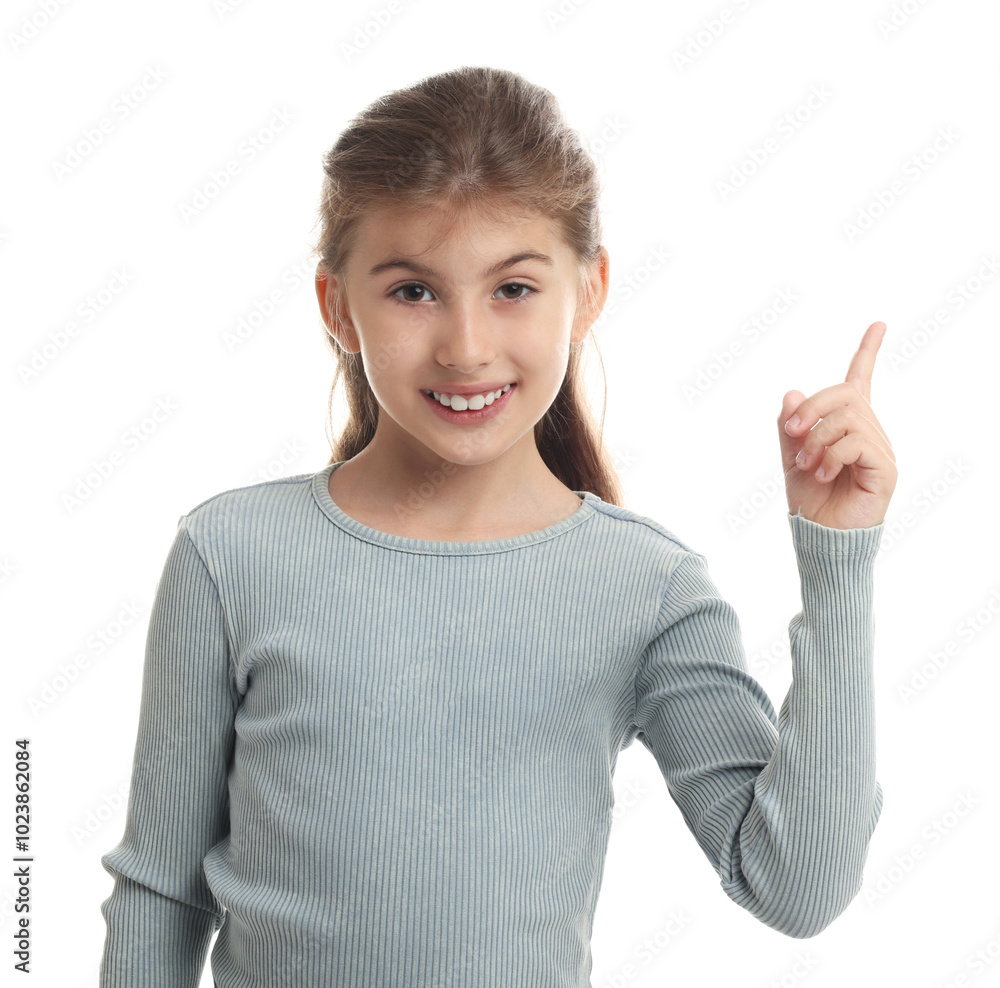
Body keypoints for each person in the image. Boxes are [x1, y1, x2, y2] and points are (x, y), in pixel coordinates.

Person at [98, 65, 898, 988]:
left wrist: (838, 565)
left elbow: (797, 888)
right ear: (336, 307)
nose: (466, 346)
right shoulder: (230, 556)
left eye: (513, 288)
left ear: (588, 291)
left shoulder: (646, 588)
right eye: (412, 291)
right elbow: (161, 893)